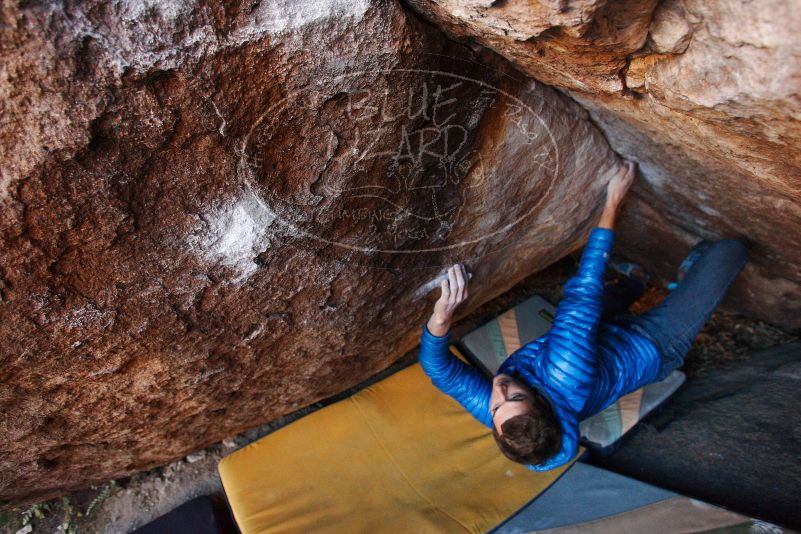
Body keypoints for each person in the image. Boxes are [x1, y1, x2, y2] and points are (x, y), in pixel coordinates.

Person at [419, 160, 748, 471]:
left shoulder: (505, 417)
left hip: (601, 339)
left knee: (602, 312)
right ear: (540, 402)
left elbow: (439, 370)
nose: (500, 388)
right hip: (654, 346)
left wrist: (442, 317)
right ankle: (685, 274)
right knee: (728, 251)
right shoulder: (565, 371)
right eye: (515, 396)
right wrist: (613, 201)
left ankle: (636, 280)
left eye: (496, 405)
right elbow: (583, 292)